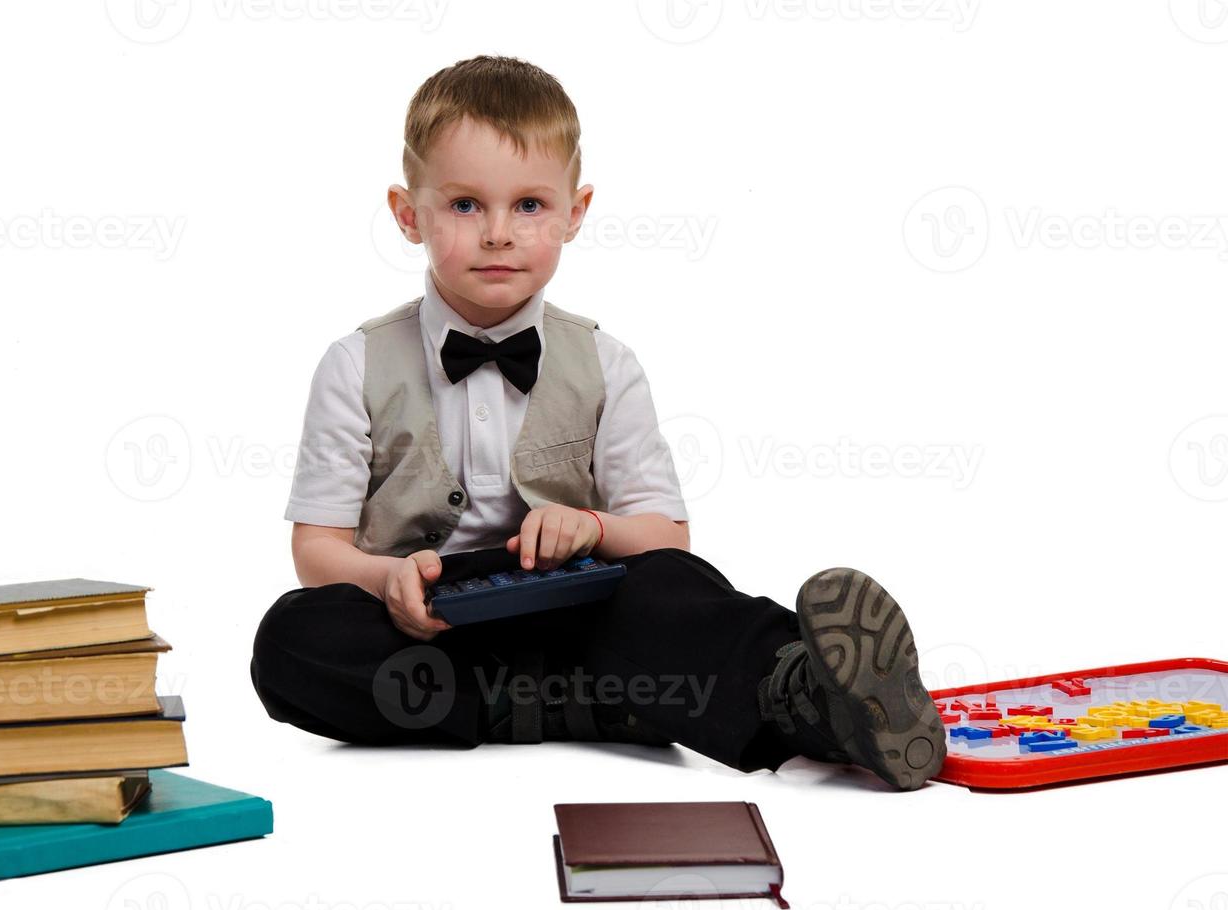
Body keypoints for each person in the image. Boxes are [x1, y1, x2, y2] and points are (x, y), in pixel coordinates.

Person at [250, 54, 945, 791]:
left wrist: (591, 526)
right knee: (294, 640)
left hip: (575, 608)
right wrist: (387, 578)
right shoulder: (354, 363)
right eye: (463, 205)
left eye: (528, 206)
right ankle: (608, 704)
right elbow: (317, 550)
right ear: (406, 213)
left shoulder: (605, 363)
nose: (496, 233)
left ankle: (805, 692)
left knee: (671, 586)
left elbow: (664, 535)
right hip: (426, 629)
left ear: (574, 213)